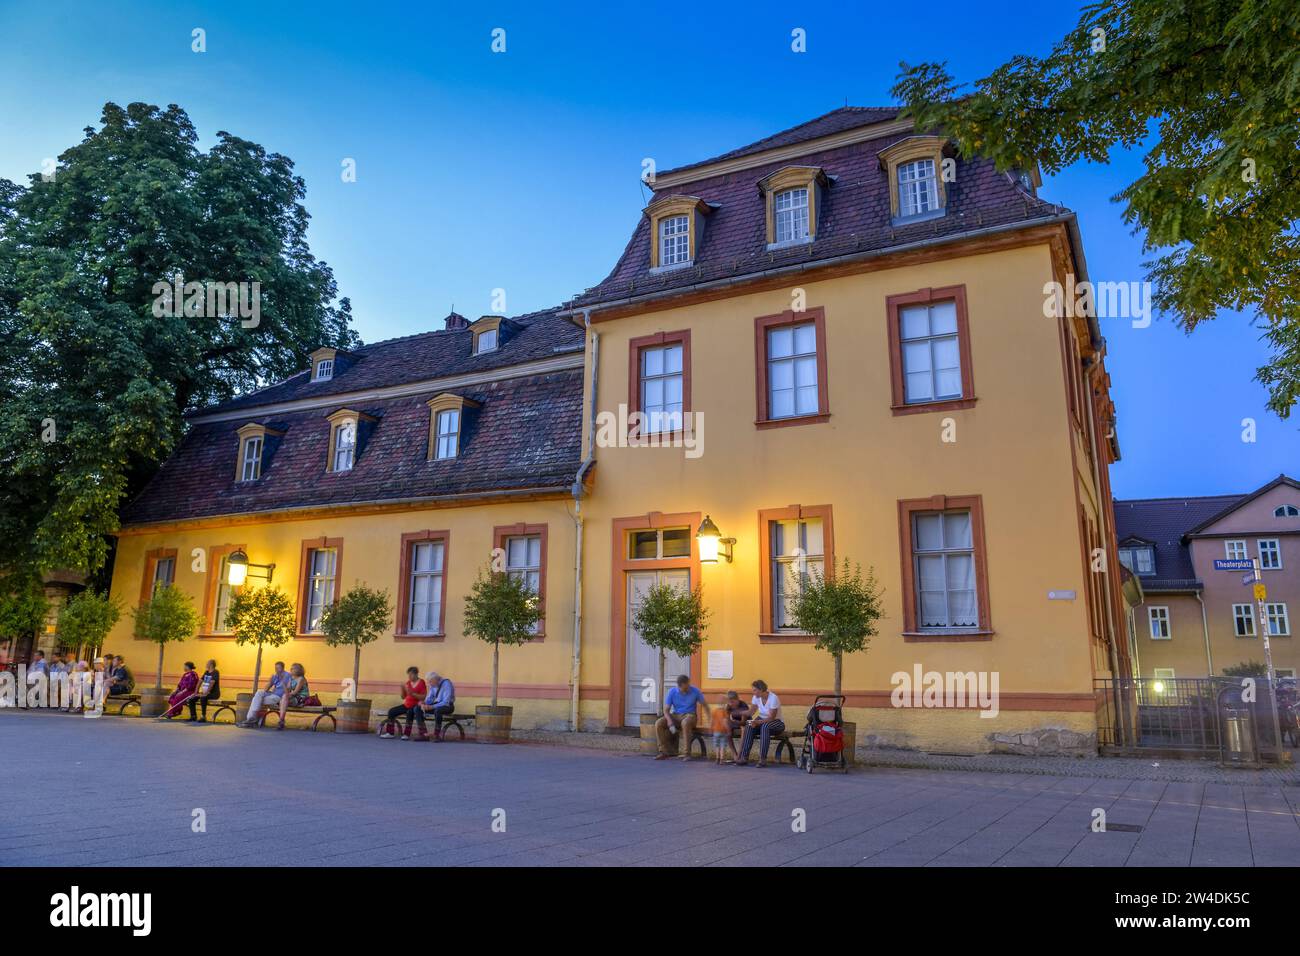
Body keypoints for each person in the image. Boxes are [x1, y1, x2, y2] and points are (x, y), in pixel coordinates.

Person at [655, 674, 710, 761]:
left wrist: (710, 720)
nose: (687, 689)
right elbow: (666, 710)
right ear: (679, 686)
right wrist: (669, 721)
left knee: (685, 723)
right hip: (676, 715)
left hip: (690, 715)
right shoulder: (672, 692)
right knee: (659, 723)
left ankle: (687, 753)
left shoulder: (695, 691)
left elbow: (705, 706)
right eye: (684, 689)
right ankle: (663, 752)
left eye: (688, 686)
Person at [735, 679, 783, 767]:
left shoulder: (773, 698)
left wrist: (757, 722)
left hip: (776, 722)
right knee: (749, 725)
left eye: (754, 690)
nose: (753, 692)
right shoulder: (756, 698)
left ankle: (762, 759)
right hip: (762, 721)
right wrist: (738, 712)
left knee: (765, 727)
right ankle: (744, 757)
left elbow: (771, 717)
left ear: (761, 690)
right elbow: (751, 712)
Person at [239, 661, 293, 728]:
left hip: (279, 697)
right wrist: (270, 681)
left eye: (278, 668)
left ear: (283, 668)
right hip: (272, 694)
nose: (276, 670)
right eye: (275, 668)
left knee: (256, 700)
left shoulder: (288, 675)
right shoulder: (275, 676)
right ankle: (251, 719)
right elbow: (266, 689)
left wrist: (282, 681)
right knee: (259, 692)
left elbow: (289, 689)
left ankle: (251, 719)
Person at [382, 667, 429, 740]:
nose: (409, 677)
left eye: (411, 675)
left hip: (415, 705)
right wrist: (402, 689)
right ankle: (390, 733)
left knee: (410, 712)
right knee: (391, 711)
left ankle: (406, 734)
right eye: (408, 675)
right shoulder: (408, 683)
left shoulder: (421, 682)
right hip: (406, 705)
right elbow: (403, 697)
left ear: (416, 674)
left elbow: (423, 697)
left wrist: (413, 694)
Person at [423, 672, 456, 740]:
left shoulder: (447, 684)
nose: (429, 684)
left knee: (438, 710)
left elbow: (446, 702)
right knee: (417, 709)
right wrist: (424, 704)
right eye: (428, 682)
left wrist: (432, 707)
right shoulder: (433, 685)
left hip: (448, 706)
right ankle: (423, 734)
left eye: (430, 681)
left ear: (436, 679)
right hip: (437, 705)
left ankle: (436, 734)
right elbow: (430, 699)